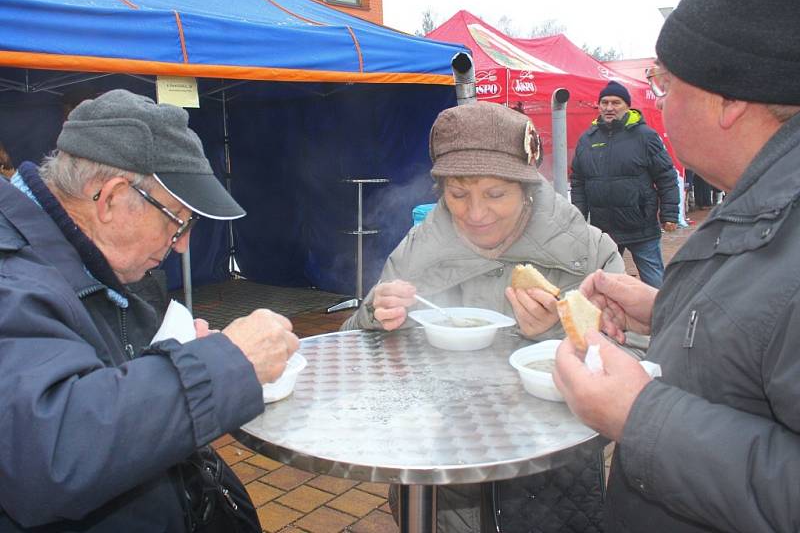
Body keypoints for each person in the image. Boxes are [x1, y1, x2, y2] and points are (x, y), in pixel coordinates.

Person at [554, 0, 800, 531]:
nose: (657, 101)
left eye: (666, 85)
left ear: (729, 99)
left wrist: (638, 415)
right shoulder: (763, 201)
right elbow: (765, 341)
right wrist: (662, 311)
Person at [0, 89, 299, 531]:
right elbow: (49, 454)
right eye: (179, 221)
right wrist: (225, 363)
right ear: (112, 198)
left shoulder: (93, 261)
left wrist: (174, 356)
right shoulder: (11, 276)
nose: (183, 245)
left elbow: (89, 378)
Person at [343, 101, 625, 533]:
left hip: (552, 479)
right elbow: (350, 347)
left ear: (527, 189)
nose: (475, 214)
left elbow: (637, 361)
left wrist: (553, 334)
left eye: (495, 194)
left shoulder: (587, 252)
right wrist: (375, 315)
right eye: (458, 194)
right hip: (438, 471)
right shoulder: (420, 248)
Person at [570, 80, 679, 288]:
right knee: (605, 284)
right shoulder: (587, 139)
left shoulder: (645, 137)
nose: (609, 108)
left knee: (655, 281)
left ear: (627, 105)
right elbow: (578, 182)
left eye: (616, 102)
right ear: (599, 105)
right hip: (604, 228)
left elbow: (666, 176)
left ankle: (662, 318)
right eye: (604, 102)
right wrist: (578, 218)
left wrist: (670, 214)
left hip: (641, 226)